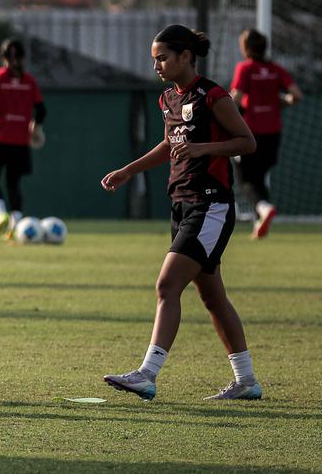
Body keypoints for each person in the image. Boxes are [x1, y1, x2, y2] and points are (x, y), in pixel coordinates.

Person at [100, 24, 261, 401]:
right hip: (183, 204)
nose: (157, 65)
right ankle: (247, 381)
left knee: (167, 285)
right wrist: (128, 170)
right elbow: (170, 143)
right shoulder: (168, 98)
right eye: (154, 59)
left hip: (211, 205)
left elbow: (247, 142)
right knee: (212, 298)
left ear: (185, 56)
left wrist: (202, 149)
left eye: (162, 58)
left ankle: (147, 374)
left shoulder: (213, 95)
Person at [229, 28, 304, 239]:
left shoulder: (245, 68)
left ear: (245, 48)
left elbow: (236, 99)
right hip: (273, 134)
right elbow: (296, 95)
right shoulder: (276, 69)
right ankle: (260, 224)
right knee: (259, 177)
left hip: (250, 134)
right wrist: (278, 101)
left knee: (245, 180)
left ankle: (262, 208)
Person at [0, 39, 45, 239]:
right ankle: (15, 226)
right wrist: (35, 125)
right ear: (23, 57)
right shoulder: (29, 81)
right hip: (20, 140)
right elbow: (41, 110)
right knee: (13, 183)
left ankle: (0, 216)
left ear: (3, 57)